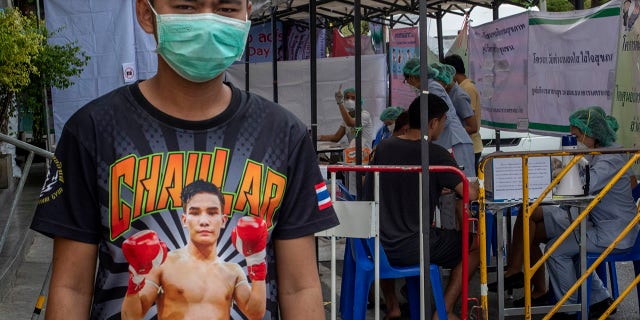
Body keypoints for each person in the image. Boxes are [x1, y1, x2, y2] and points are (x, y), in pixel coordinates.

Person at [29, 1, 339, 319]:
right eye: (186, 6)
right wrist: (138, 278)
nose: (207, 21)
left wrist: (257, 265)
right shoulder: (93, 130)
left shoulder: (283, 135)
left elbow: (299, 288)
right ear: (147, 14)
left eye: (227, 8)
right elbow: (72, 287)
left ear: (247, 13)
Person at [490, 107, 638, 318]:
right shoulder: (597, 153)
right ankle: (597, 299)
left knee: (555, 249)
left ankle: (567, 307)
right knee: (532, 220)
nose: (573, 140)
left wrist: (565, 169)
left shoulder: (610, 157)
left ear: (591, 133)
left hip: (614, 232)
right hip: (590, 220)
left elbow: (586, 185)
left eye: (576, 136)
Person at [364, 94, 480, 320]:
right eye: (444, 121)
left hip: (378, 245)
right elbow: (470, 193)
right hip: (414, 246)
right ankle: (443, 312)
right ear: (433, 123)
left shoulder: (384, 147)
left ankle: (393, 305)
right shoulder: (434, 153)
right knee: (475, 245)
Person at [121, 180, 266, 319]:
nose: (204, 221)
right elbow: (131, 317)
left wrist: (257, 260)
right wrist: (136, 279)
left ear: (223, 220)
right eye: (195, 213)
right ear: (184, 220)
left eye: (212, 212)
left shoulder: (233, 272)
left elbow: (255, 314)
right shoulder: (164, 265)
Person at [402, 58, 476, 178]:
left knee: (464, 182)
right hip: (448, 140)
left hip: (455, 141)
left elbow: (441, 118)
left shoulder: (432, 88)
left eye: (407, 81)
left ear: (411, 77)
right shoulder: (428, 89)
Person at [319, 85, 373, 193]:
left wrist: (340, 103)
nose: (349, 100)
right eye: (347, 97)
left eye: (353, 98)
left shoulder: (364, 115)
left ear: (359, 101)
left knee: (360, 188)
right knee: (352, 187)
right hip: (351, 156)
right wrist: (317, 137)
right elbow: (336, 137)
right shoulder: (347, 117)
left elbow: (350, 122)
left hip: (364, 157)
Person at [443, 54, 483, 174]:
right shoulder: (460, 87)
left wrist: (451, 133)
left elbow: (472, 125)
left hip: (470, 146)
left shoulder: (465, 89)